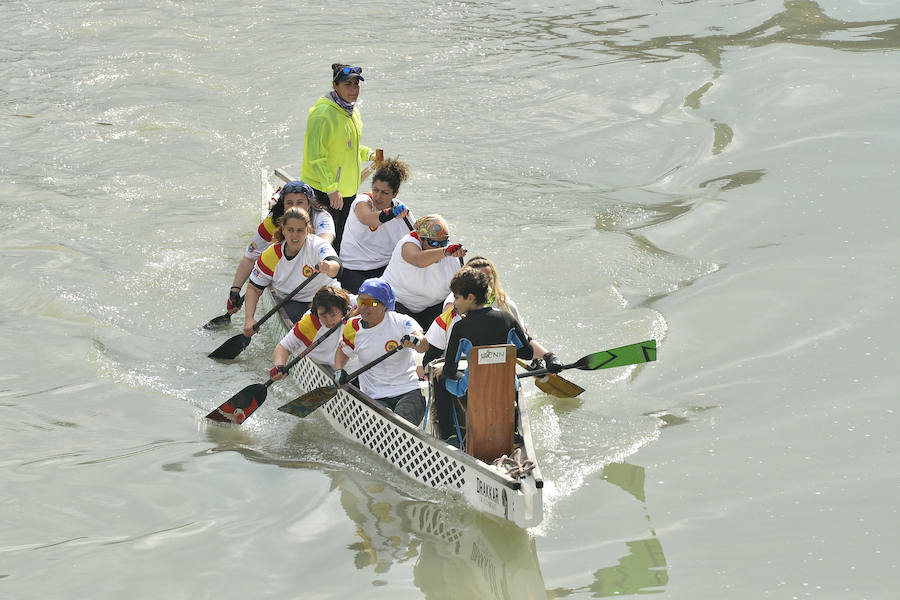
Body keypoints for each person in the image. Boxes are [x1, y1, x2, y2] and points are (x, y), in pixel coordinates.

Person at [431, 267, 562, 442]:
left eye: (456, 297)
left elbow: (449, 369)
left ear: (470, 298)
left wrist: (443, 370)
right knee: (512, 378)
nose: (455, 303)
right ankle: (513, 434)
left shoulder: (460, 328)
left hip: (473, 391)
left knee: (439, 377)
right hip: (506, 388)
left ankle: (449, 435)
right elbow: (527, 352)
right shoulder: (508, 320)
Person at [225, 180, 334, 314]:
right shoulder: (271, 222)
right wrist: (235, 290)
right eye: (289, 203)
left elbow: (325, 242)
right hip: (287, 280)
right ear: (282, 204)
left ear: (309, 203)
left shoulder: (321, 217)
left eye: (300, 202)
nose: (295, 207)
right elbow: (249, 258)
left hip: (315, 275)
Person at [301, 62, 375, 254]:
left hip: (348, 191)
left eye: (356, 84)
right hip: (325, 191)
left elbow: (349, 147)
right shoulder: (322, 115)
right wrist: (331, 189)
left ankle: (335, 279)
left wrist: (369, 154)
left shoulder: (353, 111)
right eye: (347, 84)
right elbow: (315, 157)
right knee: (324, 243)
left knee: (341, 240)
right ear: (335, 85)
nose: (353, 90)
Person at [333, 278, 428, 426]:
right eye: (360, 302)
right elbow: (342, 351)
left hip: (408, 391)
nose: (363, 308)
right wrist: (338, 370)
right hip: (375, 396)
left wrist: (415, 341)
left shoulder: (402, 322)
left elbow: (423, 346)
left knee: (402, 426)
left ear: (384, 305)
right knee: (388, 428)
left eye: (370, 303)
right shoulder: (353, 327)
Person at [243, 207, 342, 336]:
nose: (295, 236)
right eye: (290, 230)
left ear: (307, 231)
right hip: (293, 303)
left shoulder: (317, 245)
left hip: (326, 298)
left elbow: (337, 266)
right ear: (283, 229)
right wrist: (249, 318)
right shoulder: (271, 256)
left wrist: (328, 267)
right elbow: (254, 288)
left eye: (300, 230)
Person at [338, 158, 414, 293]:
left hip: (385, 268)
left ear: (395, 194)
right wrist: (392, 213)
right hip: (353, 269)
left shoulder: (402, 210)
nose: (378, 197)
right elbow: (369, 219)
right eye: (375, 190)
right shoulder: (362, 201)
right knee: (373, 303)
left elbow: (416, 237)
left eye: (384, 192)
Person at [380, 214, 466, 330]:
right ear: (421, 238)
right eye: (434, 244)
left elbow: (460, 288)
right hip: (398, 302)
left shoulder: (451, 253)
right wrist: (445, 251)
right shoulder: (408, 243)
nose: (438, 247)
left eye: (443, 243)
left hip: (432, 307)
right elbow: (418, 260)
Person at [270, 286, 355, 376]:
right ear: (316, 312)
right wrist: (279, 367)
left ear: (343, 309)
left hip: (353, 369)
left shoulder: (352, 303)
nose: (329, 321)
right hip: (323, 373)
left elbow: (370, 300)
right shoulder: (310, 323)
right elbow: (283, 347)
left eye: (333, 315)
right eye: (324, 316)